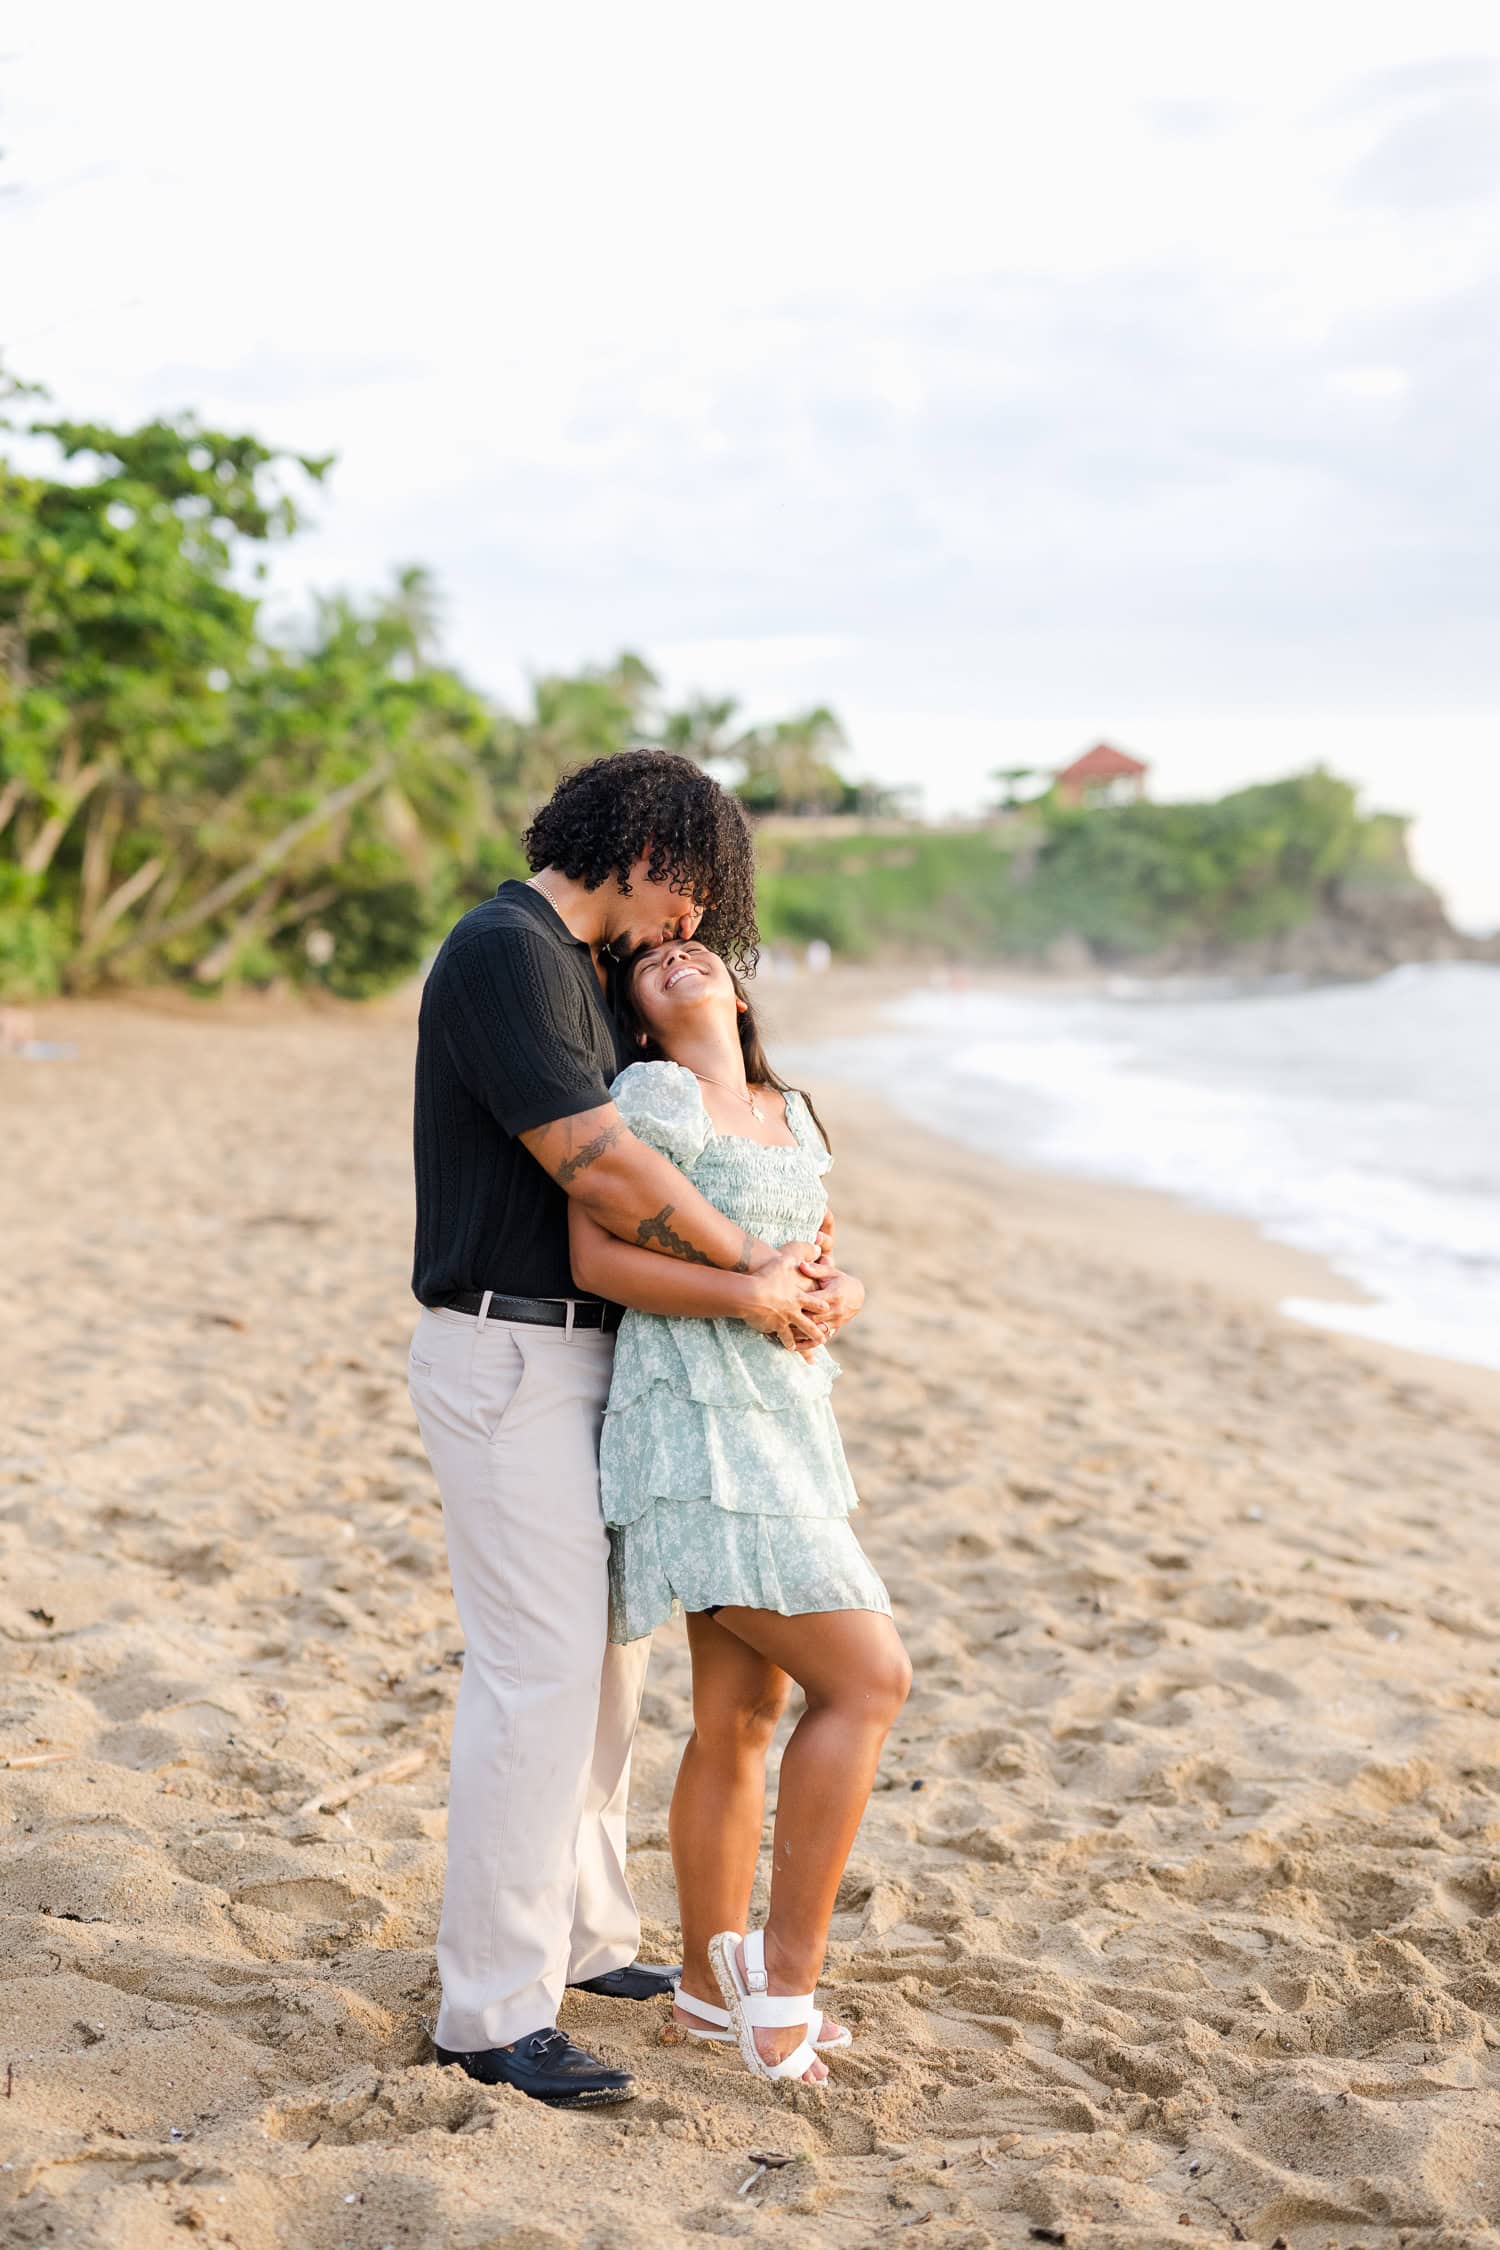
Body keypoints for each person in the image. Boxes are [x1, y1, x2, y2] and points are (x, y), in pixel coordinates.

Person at [407, 749, 858, 2109]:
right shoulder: (506, 950)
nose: (697, 926)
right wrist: (755, 1270)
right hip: (507, 1351)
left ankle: (593, 1940)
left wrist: (790, 1259)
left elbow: (701, 1140)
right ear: (647, 847)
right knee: (537, 1678)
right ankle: (489, 2008)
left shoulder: (584, 974)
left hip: (593, 1361)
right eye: (698, 890)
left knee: (606, 1678)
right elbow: (598, 1163)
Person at [569, 936, 912, 2087]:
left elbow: (813, 1258)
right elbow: (600, 1258)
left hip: (788, 1417)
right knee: (868, 1680)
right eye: (650, 959)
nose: (676, 955)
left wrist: (840, 1290)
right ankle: (785, 1984)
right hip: (696, 1417)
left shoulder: (788, 1108)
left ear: (740, 990)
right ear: (635, 1011)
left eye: (698, 947)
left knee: (745, 1713)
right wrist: (748, 1296)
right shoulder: (654, 1095)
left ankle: (711, 1994)